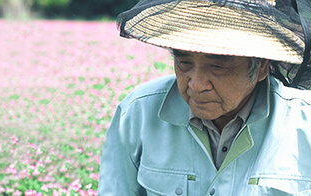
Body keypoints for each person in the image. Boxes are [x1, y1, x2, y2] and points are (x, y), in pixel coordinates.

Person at [98, 0, 311, 195]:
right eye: (184, 62)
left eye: (217, 66)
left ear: (261, 67)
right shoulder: (138, 113)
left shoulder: (305, 124)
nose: (196, 85)